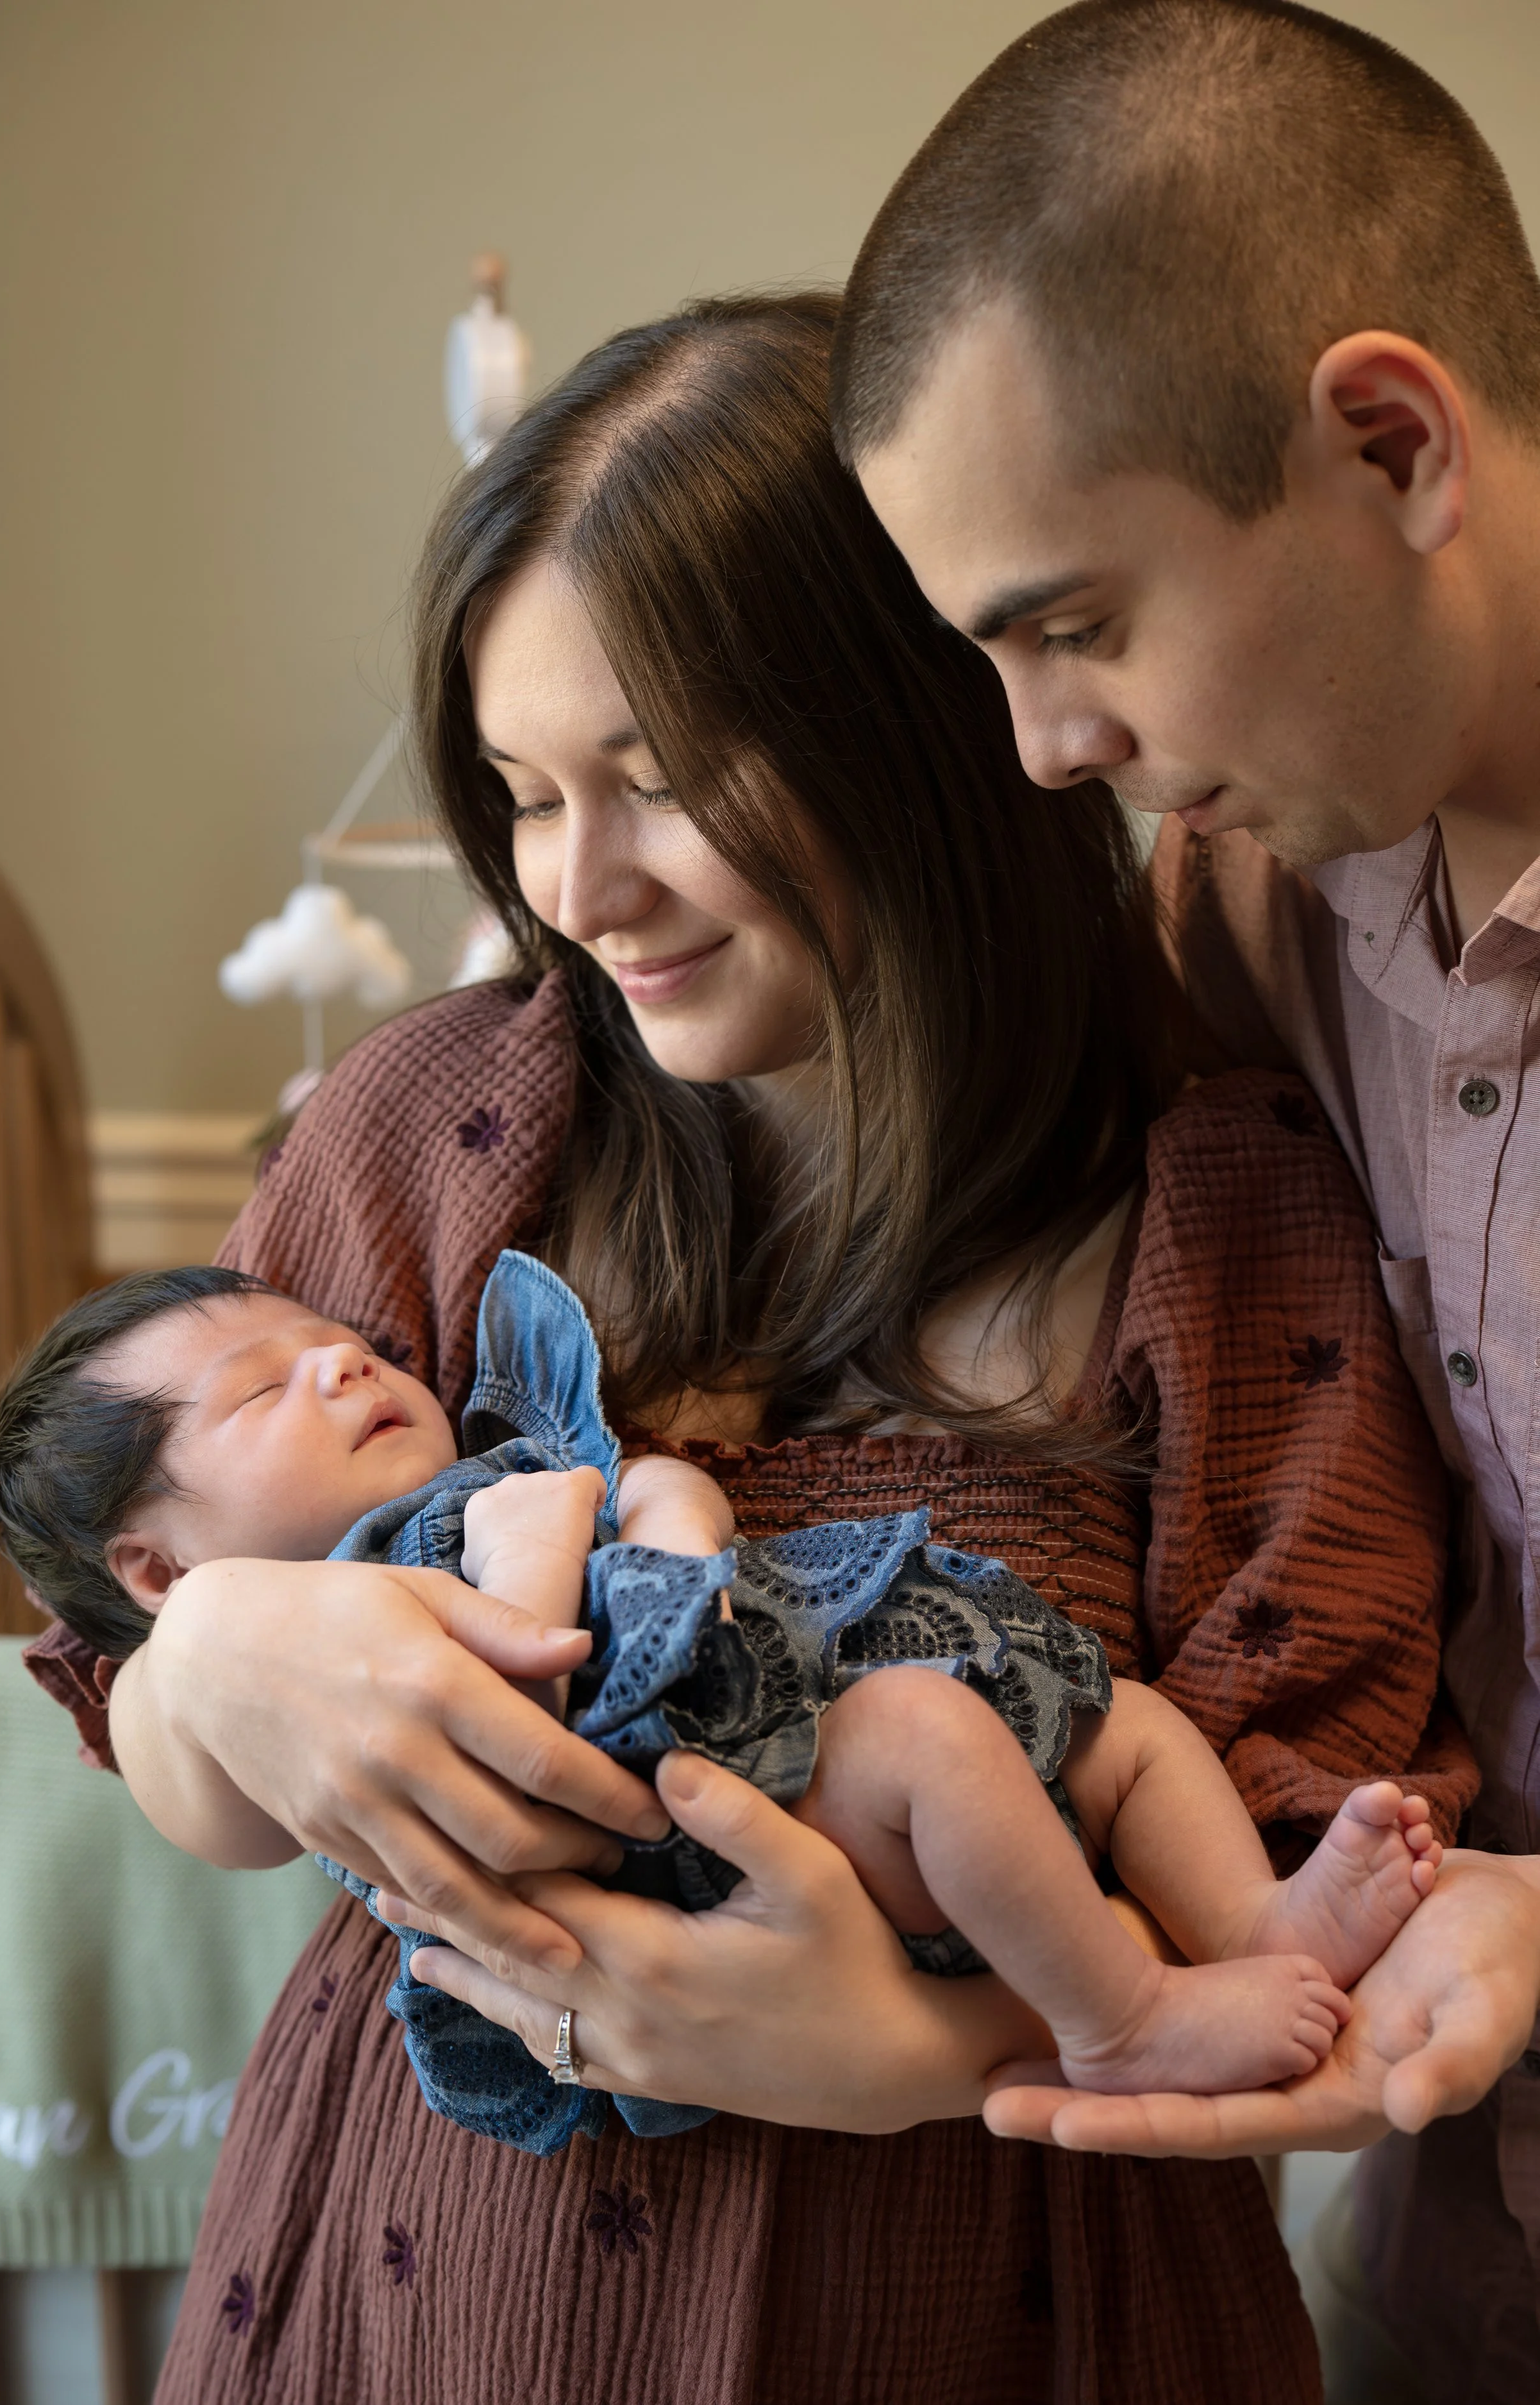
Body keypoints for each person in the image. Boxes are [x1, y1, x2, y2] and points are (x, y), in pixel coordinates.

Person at [24, 293, 1471, 2403]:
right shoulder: (428, 1143)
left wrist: (911, 2062)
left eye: (659, 775)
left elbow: (1297, 1930)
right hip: (404, 2310)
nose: (583, 882)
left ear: (914, 719)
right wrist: (223, 1655)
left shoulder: (1218, 1220)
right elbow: (147, 1724)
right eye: (522, 794)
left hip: (1020, 2313)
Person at [828, 1, 1540, 2393]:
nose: (1052, 751)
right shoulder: (1262, 897)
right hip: (1456, 2254)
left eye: (1078, 626)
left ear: (1388, 442)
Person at [0, 1251, 1441, 2145]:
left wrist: (675, 1520)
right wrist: (203, 1652)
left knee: (1116, 1721)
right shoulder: (374, 1584)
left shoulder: (488, 1471)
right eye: (261, 1394)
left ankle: (1250, 1921)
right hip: (751, 1824)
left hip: (822, 1746)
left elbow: (643, 1485)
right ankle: (1119, 2017)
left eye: (340, 1337)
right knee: (934, 1735)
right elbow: (233, 1794)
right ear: (153, 1564)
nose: (341, 1356)